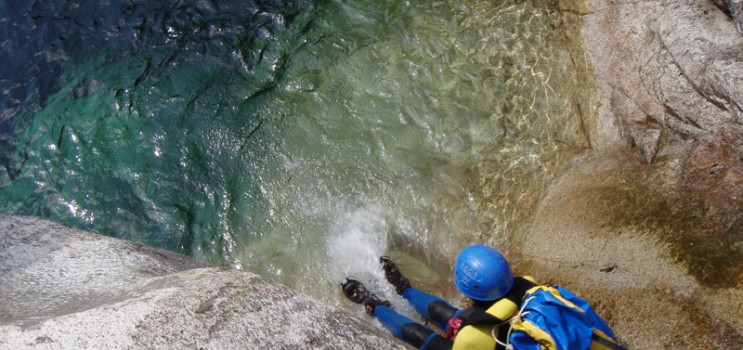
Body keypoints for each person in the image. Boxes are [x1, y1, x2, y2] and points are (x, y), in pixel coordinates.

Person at [341, 244, 625, 350]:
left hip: (479, 341)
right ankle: (403, 289)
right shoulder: (534, 286)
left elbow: (466, 335)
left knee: (428, 339)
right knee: (462, 320)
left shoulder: (469, 338)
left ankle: (374, 304)